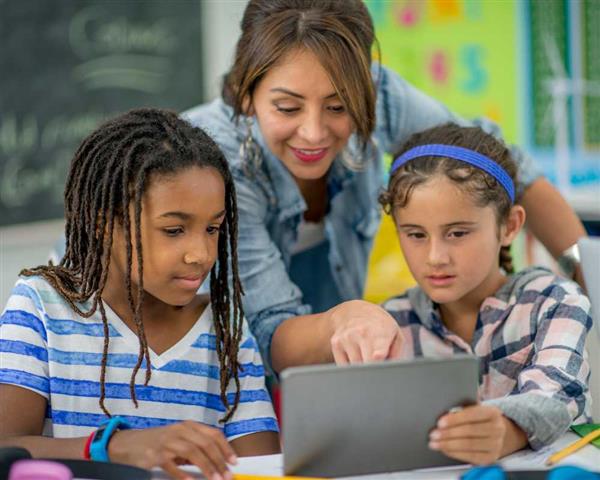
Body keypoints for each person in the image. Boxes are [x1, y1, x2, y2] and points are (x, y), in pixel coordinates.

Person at [183, 0, 588, 377]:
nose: (314, 132)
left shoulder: (376, 95)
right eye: (288, 108)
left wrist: (587, 280)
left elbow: (501, 167)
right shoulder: (214, 161)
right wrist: (344, 320)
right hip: (230, 370)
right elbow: (269, 329)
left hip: (337, 355)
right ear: (247, 95)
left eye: (339, 107)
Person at [0, 109, 280, 479]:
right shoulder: (41, 307)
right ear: (103, 224)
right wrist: (111, 448)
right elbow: (5, 449)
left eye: (212, 229)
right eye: (174, 230)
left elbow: (263, 470)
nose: (201, 254)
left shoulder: (225, 328)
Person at [379, 123, 592, 465]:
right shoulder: (390, 323)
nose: (435, 257)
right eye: (416, 235)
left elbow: (558, 393)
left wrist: (509, 428)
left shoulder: (556, 301)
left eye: (457, 233)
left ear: (509, 226)